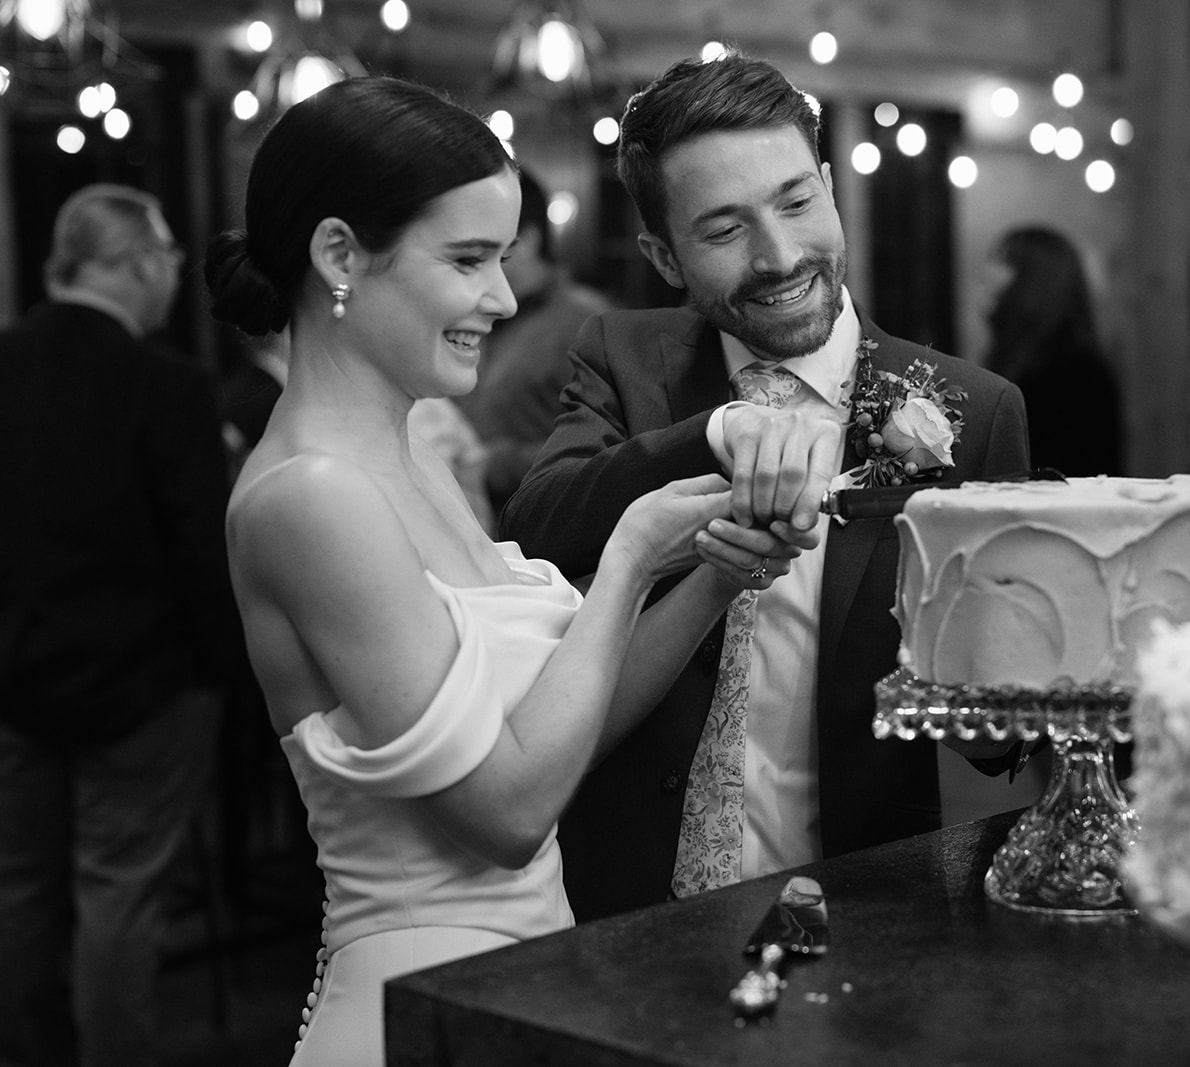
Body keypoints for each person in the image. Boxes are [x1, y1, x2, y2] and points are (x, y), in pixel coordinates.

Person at [204, 75, 790, 1067]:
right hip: (413, 998)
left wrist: (714, 579)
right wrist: (632, 554)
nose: (504, 298)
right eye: (468, 259)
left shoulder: (410, 451)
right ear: (340, 254)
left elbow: (555, 739)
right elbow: (507, 813)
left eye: (504, 259)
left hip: (519, 976)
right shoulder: (311, 494)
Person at [502, 52, 1032, 922]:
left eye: (796, 202)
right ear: (663, 256)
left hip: (866, 906)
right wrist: (712, 433)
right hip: (629, 908)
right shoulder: (623, 360)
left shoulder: (975, 410)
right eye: (723, 230)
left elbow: (992, 741)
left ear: (829, 185)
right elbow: (538, 523)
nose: (780, 255)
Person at [0, 183, 238, 1067]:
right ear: (139, 263)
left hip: (17, 674)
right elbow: (199, 547)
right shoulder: (165, 384)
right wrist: (217, 673)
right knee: (120, 895)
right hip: (143, 684)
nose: (174, 275)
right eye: (171, 258)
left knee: (20, 887)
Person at [457, 169, 612, 519]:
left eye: (483, 250)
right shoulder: (472, 313)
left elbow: (609, 449)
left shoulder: (585, 321)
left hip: (547, 537)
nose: (472, 267)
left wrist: (494, 463)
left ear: (526, 239)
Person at [979, 225, 1124, 476]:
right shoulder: (1022, 359)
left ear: (1034, 278)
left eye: (1002, 260)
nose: (987, 272)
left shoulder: (1075, 371)